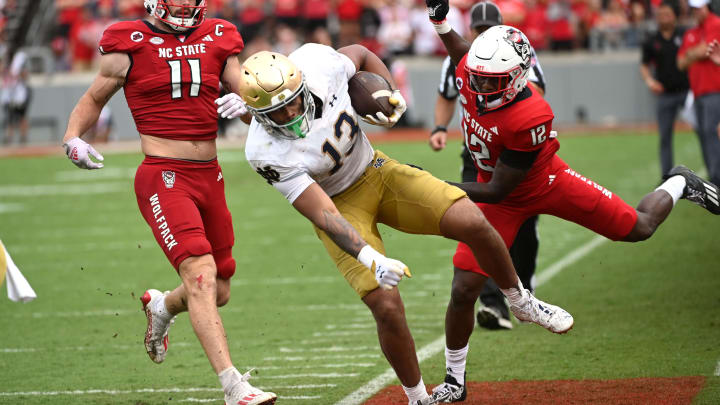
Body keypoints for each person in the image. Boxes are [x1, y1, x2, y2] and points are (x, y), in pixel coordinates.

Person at [223, 43, 573, 405]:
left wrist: (388, 91)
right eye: (278, 113)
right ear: (256, 116)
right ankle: (418, 397)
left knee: (473, 220)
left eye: (294, 101)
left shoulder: (318, 63)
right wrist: (369, 257)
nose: (292, 113)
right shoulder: (263, 152)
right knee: (386, 306)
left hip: (376, 170)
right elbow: (323, 212)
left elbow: (360, 53)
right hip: (338, 204)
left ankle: (519, 301)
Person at [424, 0, 720, 402]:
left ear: (514, 79)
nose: (478, 88)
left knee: (638, 228)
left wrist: (432, 182)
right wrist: (440, 21)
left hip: (540, 182)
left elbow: (498, 189)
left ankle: (680, 183)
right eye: (476, 77)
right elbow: (462, 53)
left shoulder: (531, 114)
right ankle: (455, 382)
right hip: (498, 194)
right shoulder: (474, 71)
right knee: (463, 289)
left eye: (490, 82)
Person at [60, 1, 277, 404]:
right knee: (200, 274)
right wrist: (73, 135)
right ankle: (234, 386)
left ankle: (162, 305)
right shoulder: (130, 39)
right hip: (163, 174)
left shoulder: (218, 34)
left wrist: (249, 107)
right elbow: (96, 96)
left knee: (220, 288)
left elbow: (249, 97)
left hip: (209, 174)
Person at [429, 0, 546, 332]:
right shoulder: (462, 57)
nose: (481, 36)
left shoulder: (518, 52)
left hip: (514, 153)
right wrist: (439, 128)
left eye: (487, 30)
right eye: (477, 30)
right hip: (477, 152)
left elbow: (536, 92)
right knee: (477, 223)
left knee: (523, 228)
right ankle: (492, 302)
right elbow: (446, 93)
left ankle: (524, 289)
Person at [640, 1, 691, 180]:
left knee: (705, 131)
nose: (663, 18)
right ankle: (667, 178)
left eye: (667, 14)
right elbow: (644, 65)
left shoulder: (685, 35)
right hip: (665, 94)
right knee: (665, 137)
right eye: (660, 15)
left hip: (687, 93)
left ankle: (713, 176)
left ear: (675, 16)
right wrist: (649, 81)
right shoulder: (652, 40)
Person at [677, 0, 720, 187]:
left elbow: (706, 51)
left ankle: (717, 179)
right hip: (698, 93)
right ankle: (713, 178)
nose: (696, 12)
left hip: (714, 90)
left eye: (698, 8)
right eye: (693, 8)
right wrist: (694, 53)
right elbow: (680, 63)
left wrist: (691, 54)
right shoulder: (691, 32)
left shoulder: (715, 23)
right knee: (704, 134)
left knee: (711, 133)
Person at [1, 50, 31, 145]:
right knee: (10, 117)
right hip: (11, 95)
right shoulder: (6, 66)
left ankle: (23, 137)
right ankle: (9, 137)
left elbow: (25, 76)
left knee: (22, 116)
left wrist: (17, 74)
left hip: (20, 94)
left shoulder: (19, 64)